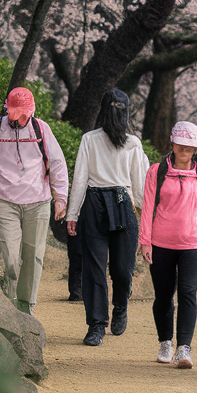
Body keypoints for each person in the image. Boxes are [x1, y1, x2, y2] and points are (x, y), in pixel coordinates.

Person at [0, 86, 68, 315]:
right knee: (9, 254)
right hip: (5, 200)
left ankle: (26, 304)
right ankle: (10, 302)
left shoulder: (41, 129)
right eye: (16, 115)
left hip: (38, 202)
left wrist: (60, 198)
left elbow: (57, 163)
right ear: (7, 110)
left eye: (24, 115)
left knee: (33, 255)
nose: (20, 120)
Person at [67, 88, 149, 346]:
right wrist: (73, 212)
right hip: (94, 202)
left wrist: (146, 217)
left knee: (123, 269)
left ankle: (121, 304)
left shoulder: (133, 143)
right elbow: (80, 177)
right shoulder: (89, 139)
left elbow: (140, 183)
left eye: (119, 107)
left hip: (123, 202)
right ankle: (96, 324)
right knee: (94, 267)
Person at [139, 120, 197, 369]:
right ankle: (165, 342)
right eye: (180, 145)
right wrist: (145, 241)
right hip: (161, 242)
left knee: (188, 294)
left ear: (195, 149)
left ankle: (184, 348)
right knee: (163, 296)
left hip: (192, 242)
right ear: (172, 144)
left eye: (189, 146)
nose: (184, 150)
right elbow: (148, 206)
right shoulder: (156, 171)